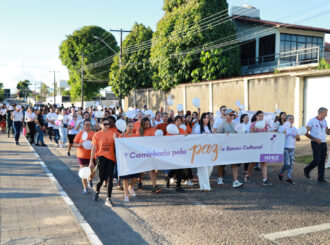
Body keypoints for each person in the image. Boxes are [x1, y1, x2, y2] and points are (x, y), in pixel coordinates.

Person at [90, 117, 118, 207]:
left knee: (110, 179)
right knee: (101, 179)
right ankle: (97, 190)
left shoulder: (113, 134)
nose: (106, 126)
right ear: (101, 125)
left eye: (108, 124)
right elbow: (93, 148)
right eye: (105, 124)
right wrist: (91, 161)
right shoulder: (97, 134)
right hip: (101, 157)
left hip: (111, 158)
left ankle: (108, 198)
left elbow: (118, 146)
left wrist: (116, 140)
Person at [215, 109, 244, 188]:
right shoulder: (222, 125)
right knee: (222, 164)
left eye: (232, 115)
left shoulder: (235, 124)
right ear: (226, 115)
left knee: (234, 164)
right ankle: (220, 177)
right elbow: (217, 135)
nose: (231, 116)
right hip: (224, 147)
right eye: (230, 115)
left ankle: (235, 180)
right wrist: (224, 135)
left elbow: (240, 134)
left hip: (233, 147)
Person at [245, 111, 272, 186]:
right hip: (255, 146)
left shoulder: (265, 124)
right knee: (253, 162)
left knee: (263, 162)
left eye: (262, 116)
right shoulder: (253, 124)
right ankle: (247, 175)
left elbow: (267, 133)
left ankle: (265, 179)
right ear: (256, 116)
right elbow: (251, 134)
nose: (261, 117)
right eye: (260, 116)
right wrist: (255, 128)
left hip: (263, 145)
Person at [304, 107, 330, 183]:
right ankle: (307, 169)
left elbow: (327, 132)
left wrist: (329, 130)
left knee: (322, 161)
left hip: (323, 143)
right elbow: (305, 132)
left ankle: (321, 178)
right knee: (317, 160)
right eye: (325, 113)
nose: (326, 115)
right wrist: (314, 139)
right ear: (320, 113)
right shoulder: (312, 121)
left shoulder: (325, 121)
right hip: (315, 143)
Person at [136, 118, 161, 193]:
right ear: (142, 124)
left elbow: (157, 140)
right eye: (145, 124)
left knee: (152, 169)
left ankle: (154, 186)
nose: (147, 125)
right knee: (141, 170)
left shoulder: (153, 130)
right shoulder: (139, 131)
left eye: (148, 123)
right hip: (142, 152)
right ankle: (139, 183)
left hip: (152, 152)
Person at [117, 121, 139, 202]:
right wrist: (121, 139)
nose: (131, 127)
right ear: (126, 127)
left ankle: (131, 186)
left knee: (136, 177)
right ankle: (126, 194)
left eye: (132, 126)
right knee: (125, 178)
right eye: (129, 126)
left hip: (133, 158)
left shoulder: (135, 136)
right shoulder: (121, 135)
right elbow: (119, 146)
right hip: (124, 159)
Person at [73, 119, 96, 195]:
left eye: (89, 125)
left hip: (92, 156)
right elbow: (74, 144)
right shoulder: (80, 134)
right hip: (82, 155)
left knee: (92, 171)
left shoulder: (94, 134)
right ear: (83, 125)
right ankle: (85, 188)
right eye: (86, 125)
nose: (88, 126)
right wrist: (79, 145)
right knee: (83, 171)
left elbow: (98, 144)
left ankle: (90, 179)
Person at [165, 116, 186, 192]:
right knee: (177, 168)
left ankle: (169, 177)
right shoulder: (170, 130)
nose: (179, 122)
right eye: (177, 120)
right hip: (173, 151)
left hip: (181, 151)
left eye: (180, 121)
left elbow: (185, 139)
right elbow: (168, 140)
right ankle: (178, 185)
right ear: (174, 122)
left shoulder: (182, 130)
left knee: (178, 168)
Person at [193, 113, 213, 191]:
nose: (206, 119)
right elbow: (194, 138)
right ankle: (205, 187)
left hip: (209, 150)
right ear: (202, 119)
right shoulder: (198, 127)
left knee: (210, 166)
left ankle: (201, 178)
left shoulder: (210, 127)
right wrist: (203, 135)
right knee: (203, 168)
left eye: (207, 118)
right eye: (204, 118)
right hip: (200, 150)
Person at [278, 115, 300, 184]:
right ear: (286, 120)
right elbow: (279, 136)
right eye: (290, 119)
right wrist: (285, 129)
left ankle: (289, 178)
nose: (292, 120)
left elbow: (298, 139)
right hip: (285, 148)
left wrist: (297, 137)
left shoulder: (295, 129)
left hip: (292, 148)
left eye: (293, 119)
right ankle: (281, 173)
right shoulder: (282, 127)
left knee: (291, 164)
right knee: (287, 163)